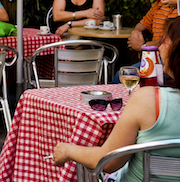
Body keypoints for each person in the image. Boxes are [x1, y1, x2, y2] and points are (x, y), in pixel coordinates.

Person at [53, 16, 180, 181]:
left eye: (164, 41)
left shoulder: (149, 100)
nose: (159, 47)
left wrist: (68, 151)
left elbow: (108, 160)